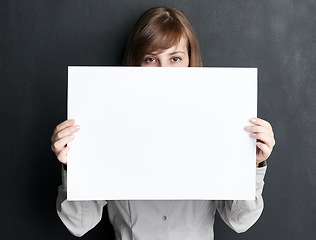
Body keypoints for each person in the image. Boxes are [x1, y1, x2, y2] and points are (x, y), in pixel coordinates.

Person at [52, 7, 276, 239]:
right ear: (136, 64)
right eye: (151, 59)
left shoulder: (219, 123)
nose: (163, 72)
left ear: (190, 61)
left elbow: (240, 220)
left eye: (175, 58)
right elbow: (79, 223)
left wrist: (253, 165)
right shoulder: (104, 123)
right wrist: (73, 166)